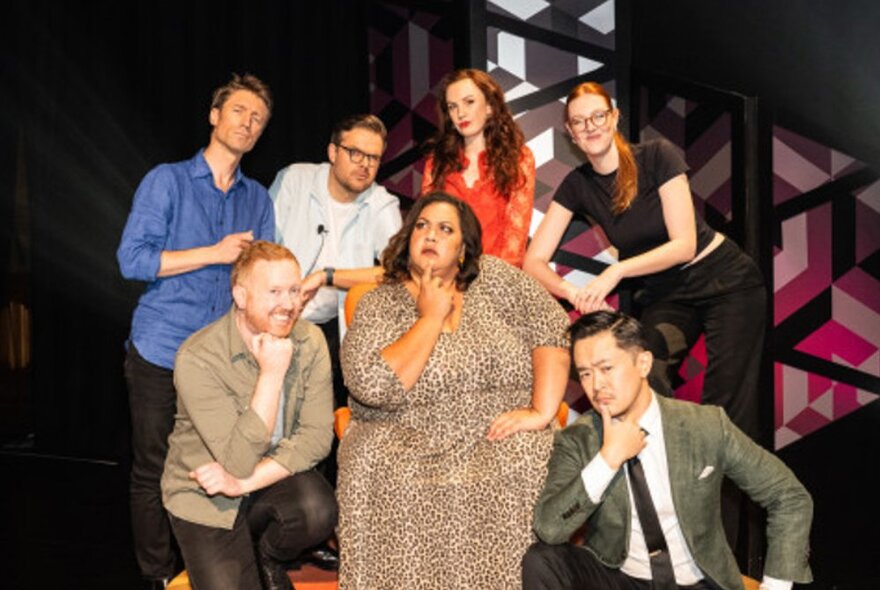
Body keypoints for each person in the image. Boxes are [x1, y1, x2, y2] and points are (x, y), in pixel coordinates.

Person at [337, 193, 570, 589]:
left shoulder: (494, 280)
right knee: (371, 461)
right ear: (407, 238)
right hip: (404, 439)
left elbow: (551, 324)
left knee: (534, 450)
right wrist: (430, 317)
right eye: (422, 226)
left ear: (463, 249)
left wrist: (542, 410)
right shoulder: (380, 302)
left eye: (446, 229)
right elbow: (373, 385)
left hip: (493, 434)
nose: (431, 235)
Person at [523, 81, 766, 441]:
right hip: (668, 295)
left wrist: (617, 270)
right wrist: (573, 294)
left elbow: (683, 245)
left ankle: (725, 497)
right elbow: (534, 262)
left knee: (726, 406)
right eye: (579, 122)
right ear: (571, 134)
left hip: (726, 281)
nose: (590, 126)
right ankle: (662, 482)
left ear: (615, 117)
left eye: (597, 115)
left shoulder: (656, 156)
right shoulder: (577, 185)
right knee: (644, 378)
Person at [116, 73, 275, 587]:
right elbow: (131, 260)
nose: (247, 123)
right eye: (238, 111)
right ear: (214, 115)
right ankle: (159, 576)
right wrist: (215, 252)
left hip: (223, 361)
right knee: (153, 467)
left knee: (217, 465)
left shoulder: (259, 199)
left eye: (257, 119)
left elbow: (266, 278)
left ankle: (202, 567)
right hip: (161, 349)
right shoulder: (167, 181)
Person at [523, 310, 813, 590]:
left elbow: (788, 496)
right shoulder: (579, 439)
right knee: (542, 561)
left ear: (643, 364)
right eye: (585, 374)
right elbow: (549, 528)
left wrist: (775, 586)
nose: (596, 385)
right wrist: (608, 459)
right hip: (621, 579)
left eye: (607, 368)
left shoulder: (706, 425)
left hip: (697, 581)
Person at [162, 241, 337, 590]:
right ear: (241, 297)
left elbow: (317, 439)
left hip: (265, 478)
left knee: (318, 510)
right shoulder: (198, 357)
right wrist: (271, 374)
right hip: (205, 496)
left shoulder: (310, 341)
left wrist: (243, 483)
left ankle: (268, 554)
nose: (288, 304)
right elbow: (237, 459)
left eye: (294, 290)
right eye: (274, 292)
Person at [269, 114, 401, 409]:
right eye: (356, 153)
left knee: (324, 421)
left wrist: (327, 276)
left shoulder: (381, 203)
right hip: (277, 317)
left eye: (374, 158)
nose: (365, 164)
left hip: (334, 329)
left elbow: (399, 273)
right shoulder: (294, 179)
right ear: (333, 152)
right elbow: (262, 250)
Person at [421, 68, 535, 267]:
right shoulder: (436, 162)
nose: (460, 113)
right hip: (445, 275)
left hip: (498, 277)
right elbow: (427, 228)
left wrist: (493, 283)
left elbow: (515, 237)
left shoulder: (519, 158)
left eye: (469, 102)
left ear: (490, 106)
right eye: (452, 106)